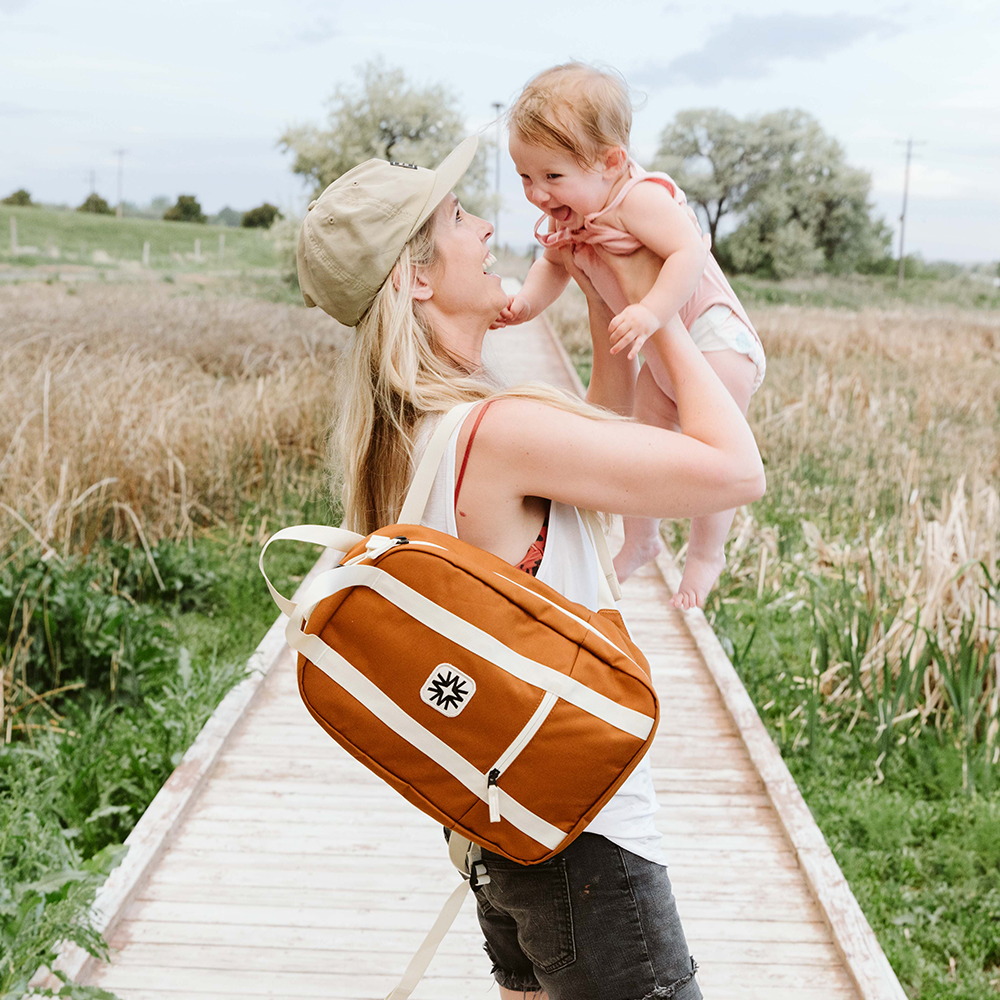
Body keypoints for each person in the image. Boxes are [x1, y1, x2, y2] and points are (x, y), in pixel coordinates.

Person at [296, 135, 765, 1000]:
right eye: (459, 216)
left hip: (495, 834)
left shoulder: (399, 443)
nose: (485, 229)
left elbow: (599, 430)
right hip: (585, 839)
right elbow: (737, 468)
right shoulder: (499, 432)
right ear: (418, 276)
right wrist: (655, 302)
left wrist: (606, 304)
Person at [495, 63, 767, 609]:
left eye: (552, 176)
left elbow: (691, 252)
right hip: (666, 356)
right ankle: (641, 539)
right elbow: (551, 265)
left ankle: (706, 553)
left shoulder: (640, 198)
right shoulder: (576, 209)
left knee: (713, 451)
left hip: (715, 336)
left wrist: (651, 312)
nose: (538, 194)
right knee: (643, 436)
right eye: (525, 177)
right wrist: (525, 303)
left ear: (611, 162)